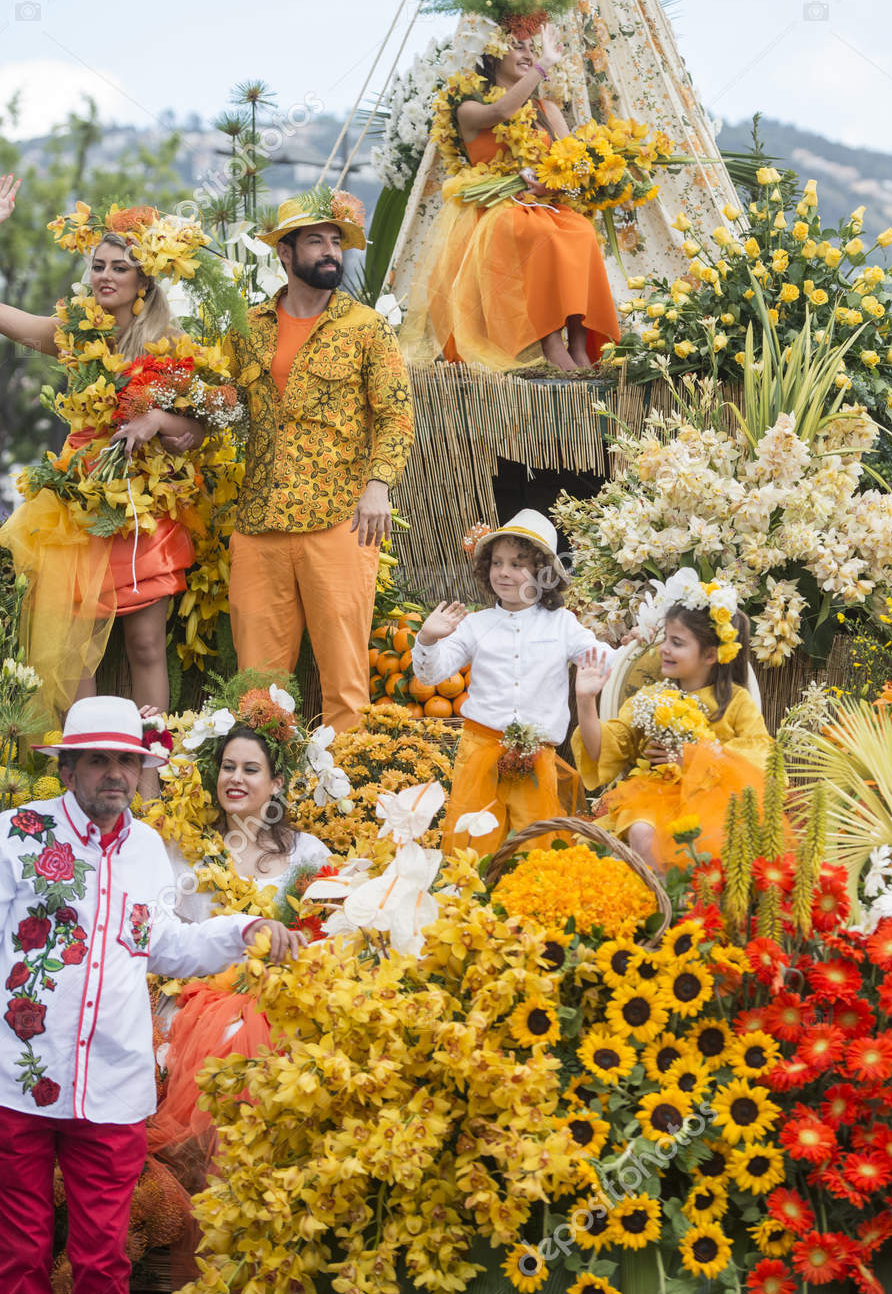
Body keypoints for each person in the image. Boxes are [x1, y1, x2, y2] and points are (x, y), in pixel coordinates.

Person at [0, 696, 301, 1294]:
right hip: (19, 1084)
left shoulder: (147, 851)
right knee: (17, 1257)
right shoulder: (16, 836)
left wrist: (243, 930)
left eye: (126, 762)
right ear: (67, 767)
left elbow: (165, 943)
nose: (114, 773)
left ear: (140, 771)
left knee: (104, 1262)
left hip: (113, 1090)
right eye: (98, 759)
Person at [0, 177, 206, 720]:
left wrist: (157, 419)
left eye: (120, 267)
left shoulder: (172, 345)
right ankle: (80, 760)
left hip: (143, 505)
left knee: (146, 645)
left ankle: (152, 761)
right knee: (72, 651)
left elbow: (201, 424)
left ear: (144, 278)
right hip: (75, 507)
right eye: (98, 266)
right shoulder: (72, 334)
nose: (105, 276)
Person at [223, 190, 414, 731]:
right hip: (259, 523)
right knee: (256, 691)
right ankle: (259, 783)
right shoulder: (246, 328)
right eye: (316, 241)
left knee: (345, 686)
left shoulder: (367, 328)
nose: (331, 251)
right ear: (285, 253)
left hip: (340, 520)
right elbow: (217, 403)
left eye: (336, 241)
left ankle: (347, 788)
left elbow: (397, 415)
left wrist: (378, 486)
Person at [406, 0, 620, 373]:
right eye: (518, 46)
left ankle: (579, 348)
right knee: (532, 232)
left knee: (580, 230)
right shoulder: (468, 108)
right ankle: (550, 344)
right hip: (494, 213)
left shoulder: (547, 110)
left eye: (532, 48)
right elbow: (503, 111)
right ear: (491, 54)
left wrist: (556, 184)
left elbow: (574, 164)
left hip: (544, 206)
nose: (528, 54)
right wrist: (544, 66)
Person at [150, 719, 331, 1181]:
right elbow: (162, 930)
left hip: (280, 993)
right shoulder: (184, 848)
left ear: (277, 783)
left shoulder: (307, 853)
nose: (236, 778)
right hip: (195, 998)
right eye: (228, 767)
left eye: (251, 769)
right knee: (229, 1039)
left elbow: (326, 929)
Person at [412, 509, 617, 855]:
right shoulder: (476, 624)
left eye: (517, 564)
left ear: (542, 572)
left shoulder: (562, 624)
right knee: (474, 848)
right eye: (497, 563)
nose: (503, 572)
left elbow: (603, 660)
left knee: (534, 848)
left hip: (536, 758)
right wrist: (428, 639)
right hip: (480, 755)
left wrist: (636, 649)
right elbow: (430, 674)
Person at [572, 592, 772, 874]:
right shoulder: (651, 698)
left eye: (676, 643)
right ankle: (660, 898)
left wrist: (694, 757)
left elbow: (760, 759)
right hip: (654, 796)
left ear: (710, 655)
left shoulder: (736, 701)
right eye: (665, 639)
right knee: (642, 831)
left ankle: (691, 900)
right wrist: (585, 700)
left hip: (713, 799)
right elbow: (600, 750)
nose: (664, 649)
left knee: (712, 835)